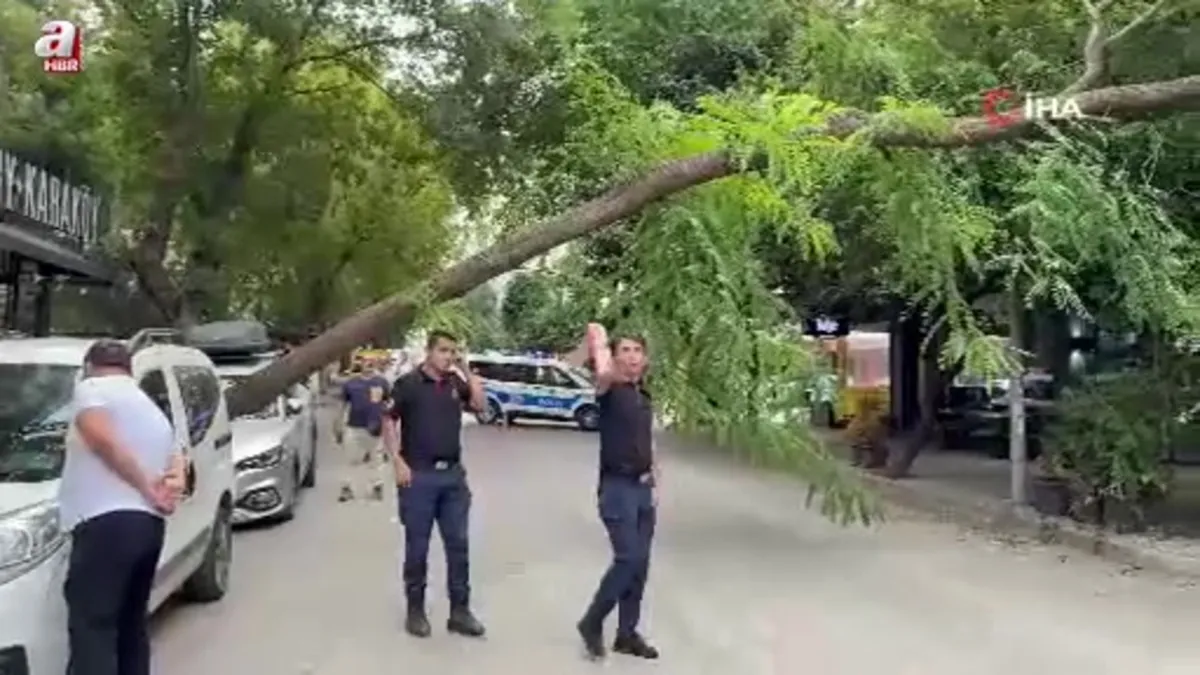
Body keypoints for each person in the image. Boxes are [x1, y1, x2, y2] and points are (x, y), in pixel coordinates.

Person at [60, 340, 184, 675]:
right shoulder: (149, 407)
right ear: (129, 368)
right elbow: (177, 464)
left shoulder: (92, 390)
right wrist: (165, 492)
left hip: (106, 525)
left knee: (93, 629)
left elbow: (101, 439)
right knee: (131, 626)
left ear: (89, 367)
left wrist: (146, 487)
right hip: (148, 528)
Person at [382, 330, 487, 638]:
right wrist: (397, 461)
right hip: (419, 477)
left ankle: (460, 612)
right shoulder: (409, 384)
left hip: (452, 478)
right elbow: (389, 419)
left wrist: (467, 370)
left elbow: (479, 405)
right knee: (418, 548)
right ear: (429, 352)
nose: (448, 356)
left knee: (459, 546)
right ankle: (415, 611)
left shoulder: (455, 384)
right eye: (443, 350)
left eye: (453, 351)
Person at [576, 323, 660, 661]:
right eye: (625, 350)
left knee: (640, 565)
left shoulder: (643, 394)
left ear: (645, 358)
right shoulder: (608, 387)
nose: (632, 356)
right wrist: (598, 336)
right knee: (627, 558)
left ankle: (627, 633)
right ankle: (591, 622)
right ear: (615, 356)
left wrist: (656, 477)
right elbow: (603, 366)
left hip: (642, 488)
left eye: (637, 350)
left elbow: (647, 439)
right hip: (617, 488)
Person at [335, 359, 391, 502]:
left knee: (376, 460)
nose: (369, 364)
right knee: (351, 460)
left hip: (375, 428)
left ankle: (377, 487)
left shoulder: (382, 382)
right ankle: (347, 489)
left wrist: (387, 425)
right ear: (361, 364)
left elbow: (388, 404)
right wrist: (338, 424)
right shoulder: (351, 383)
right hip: (354, 427)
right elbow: (342, 405)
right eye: (365, 361)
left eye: (371, 361)